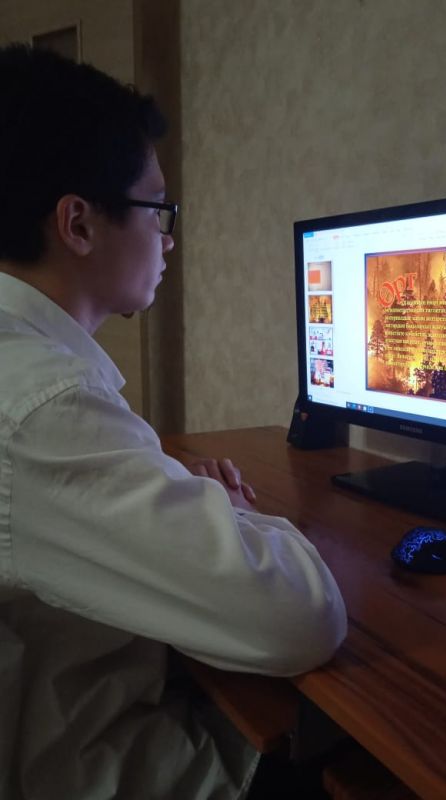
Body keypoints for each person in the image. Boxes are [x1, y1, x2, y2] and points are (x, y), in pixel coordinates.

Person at [0, 44, 347, 800]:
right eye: (160, 210)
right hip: (105, 765)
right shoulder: (42, 407)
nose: (169, 239)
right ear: (79, 224)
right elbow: (301, 622)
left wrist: (174, 493)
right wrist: (235, 510)